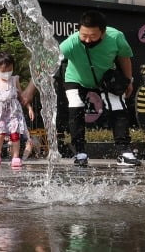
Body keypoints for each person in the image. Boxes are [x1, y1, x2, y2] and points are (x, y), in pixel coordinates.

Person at [57, 10, 139, 167]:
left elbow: (124, 58)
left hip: (105, 77)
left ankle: (124, 152)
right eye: (83, 35)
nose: (87, 40)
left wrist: (129, 81)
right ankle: (80, 153)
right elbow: (49, 61)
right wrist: (30, 89)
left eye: (92, 36)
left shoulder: (116, 37)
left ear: (103, 32)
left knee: (118, 106)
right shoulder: (71, 42)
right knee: (76, 108)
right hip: (76, 78)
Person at [0, 52, 34, 169]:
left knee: (15, 135)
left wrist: (29, 108)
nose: (7, 72)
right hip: (0, 113)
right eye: (4, 70)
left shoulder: (14, 80)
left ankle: (16, 157)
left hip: (14, 112)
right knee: (0, 134)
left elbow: (22, 96)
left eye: (10, 69)